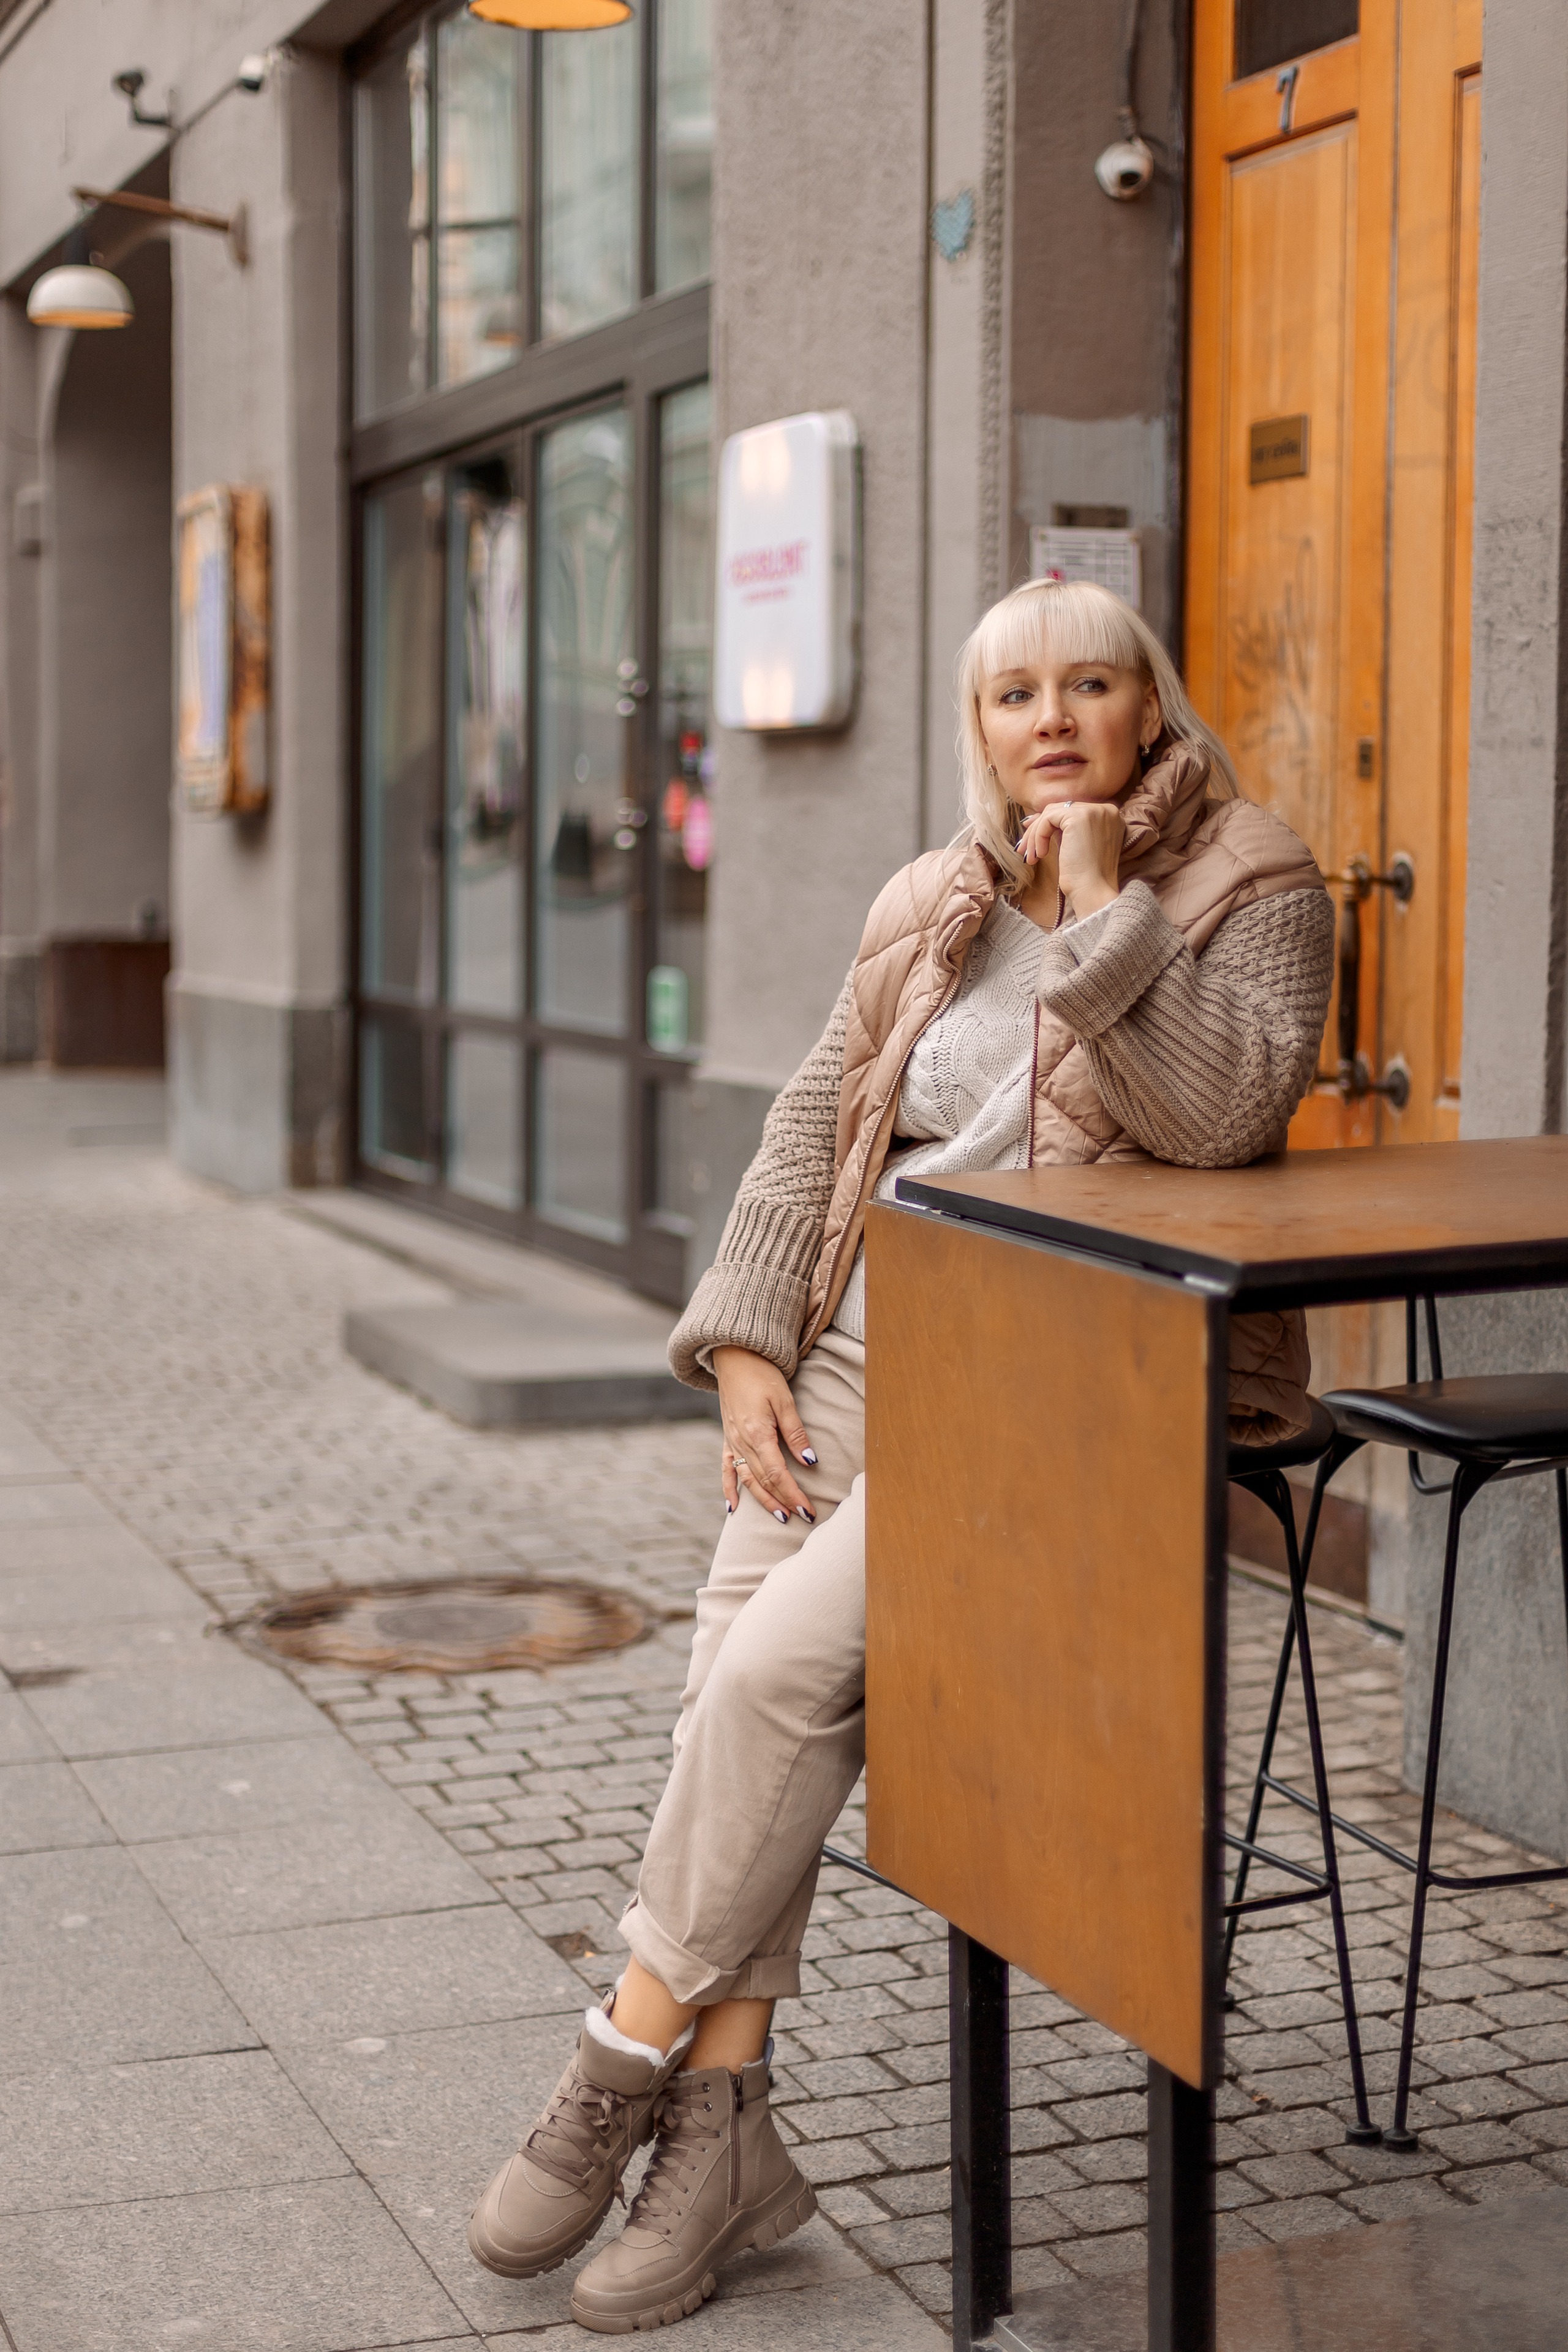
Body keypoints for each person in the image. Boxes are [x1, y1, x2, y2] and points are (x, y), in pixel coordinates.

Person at [467, 578, 1334, 2333]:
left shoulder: (1253, 878)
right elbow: (815, 1125)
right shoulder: (933, 894)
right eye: (1017, 693)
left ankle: (621, 2051)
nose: (1055, 718)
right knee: (731, 1679)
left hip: (1064, 1368)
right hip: (866, 1343)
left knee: (778, 1675)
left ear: (1148, 700)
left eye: (1094, 682)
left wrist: (1103, 913)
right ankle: (727, 2144)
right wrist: (745, 1347)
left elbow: (1226, 1118)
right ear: (979, 723)